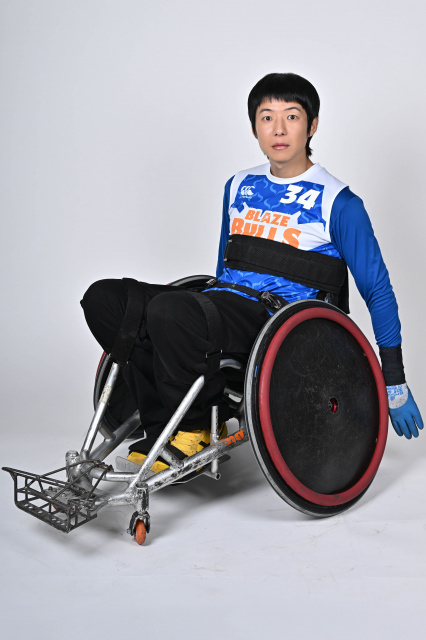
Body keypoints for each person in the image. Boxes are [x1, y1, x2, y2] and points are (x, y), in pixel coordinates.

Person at [81, 72, 423, 473]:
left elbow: (378, 291)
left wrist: (394, 381)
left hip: (275, 322)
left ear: (312, 125)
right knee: (106, 300)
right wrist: (197, 316)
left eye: (291, 117)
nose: (279, 129)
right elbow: (224, 266)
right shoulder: (238, 184)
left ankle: (193, 430)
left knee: (170, 312)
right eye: (267, 117)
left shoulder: (340, 203)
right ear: (253, 127)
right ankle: (163, 423)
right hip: (220, 304)